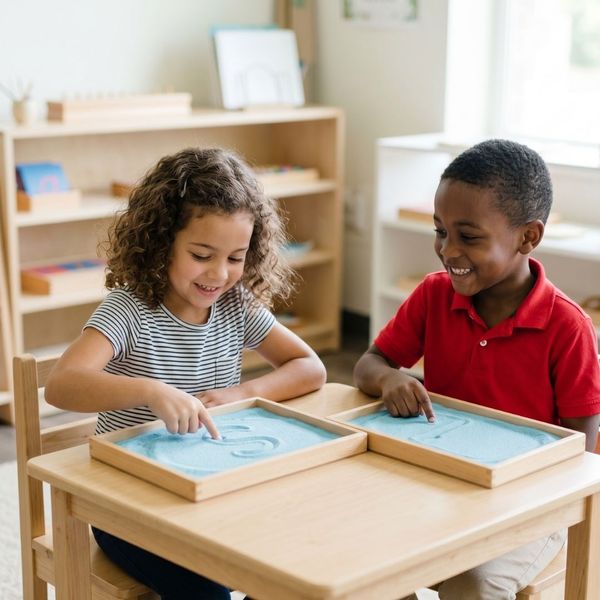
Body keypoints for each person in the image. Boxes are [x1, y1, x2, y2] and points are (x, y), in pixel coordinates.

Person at [45, 146, 327, 600]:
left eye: (235, 258)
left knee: (288, 566)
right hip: (127, 506)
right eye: (202, 254)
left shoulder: (236, 306)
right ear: (162, 242)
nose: (219, 273)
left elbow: (309, 367)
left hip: (209, 492)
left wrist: (243, 392)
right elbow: (61, 385)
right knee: (208, 591)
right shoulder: (130, 310)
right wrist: (151, 391)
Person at [354, 139, 600, 600]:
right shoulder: (433, 296)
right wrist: (390, 377)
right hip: (440, 484)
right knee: (359, 560)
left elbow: (581, 454)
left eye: (468, 237)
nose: (447, 251)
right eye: (440, 230)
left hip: (531, 507)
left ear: (528, 237)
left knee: (475, 585)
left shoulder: (568, 326)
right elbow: (371, 362)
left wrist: (520, 500)